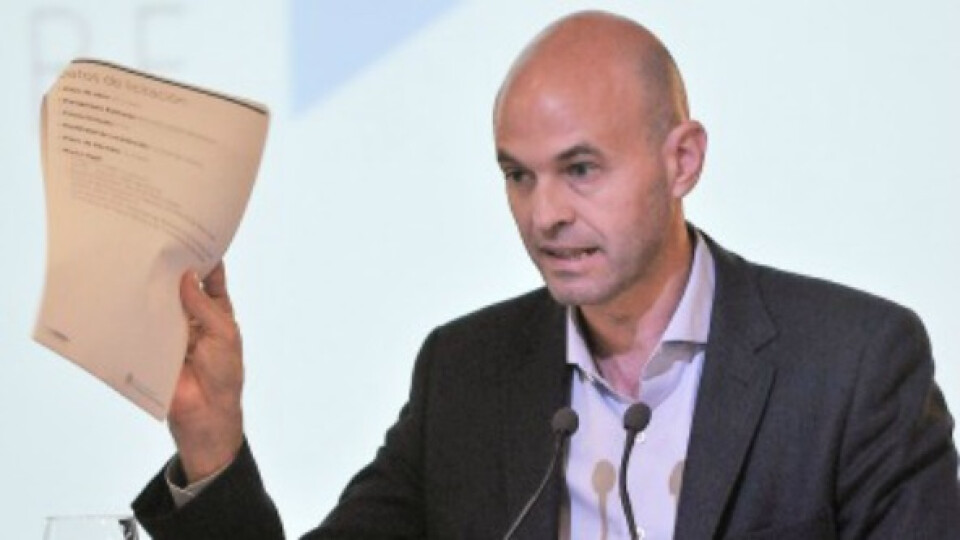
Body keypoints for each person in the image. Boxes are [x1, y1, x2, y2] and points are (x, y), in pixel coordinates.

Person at [132, 10, 960, 539]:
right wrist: (212, 441)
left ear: (682, 161)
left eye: (581, 169)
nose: (544, 214)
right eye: (518, 175)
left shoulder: (852, 364)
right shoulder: (466, 372)